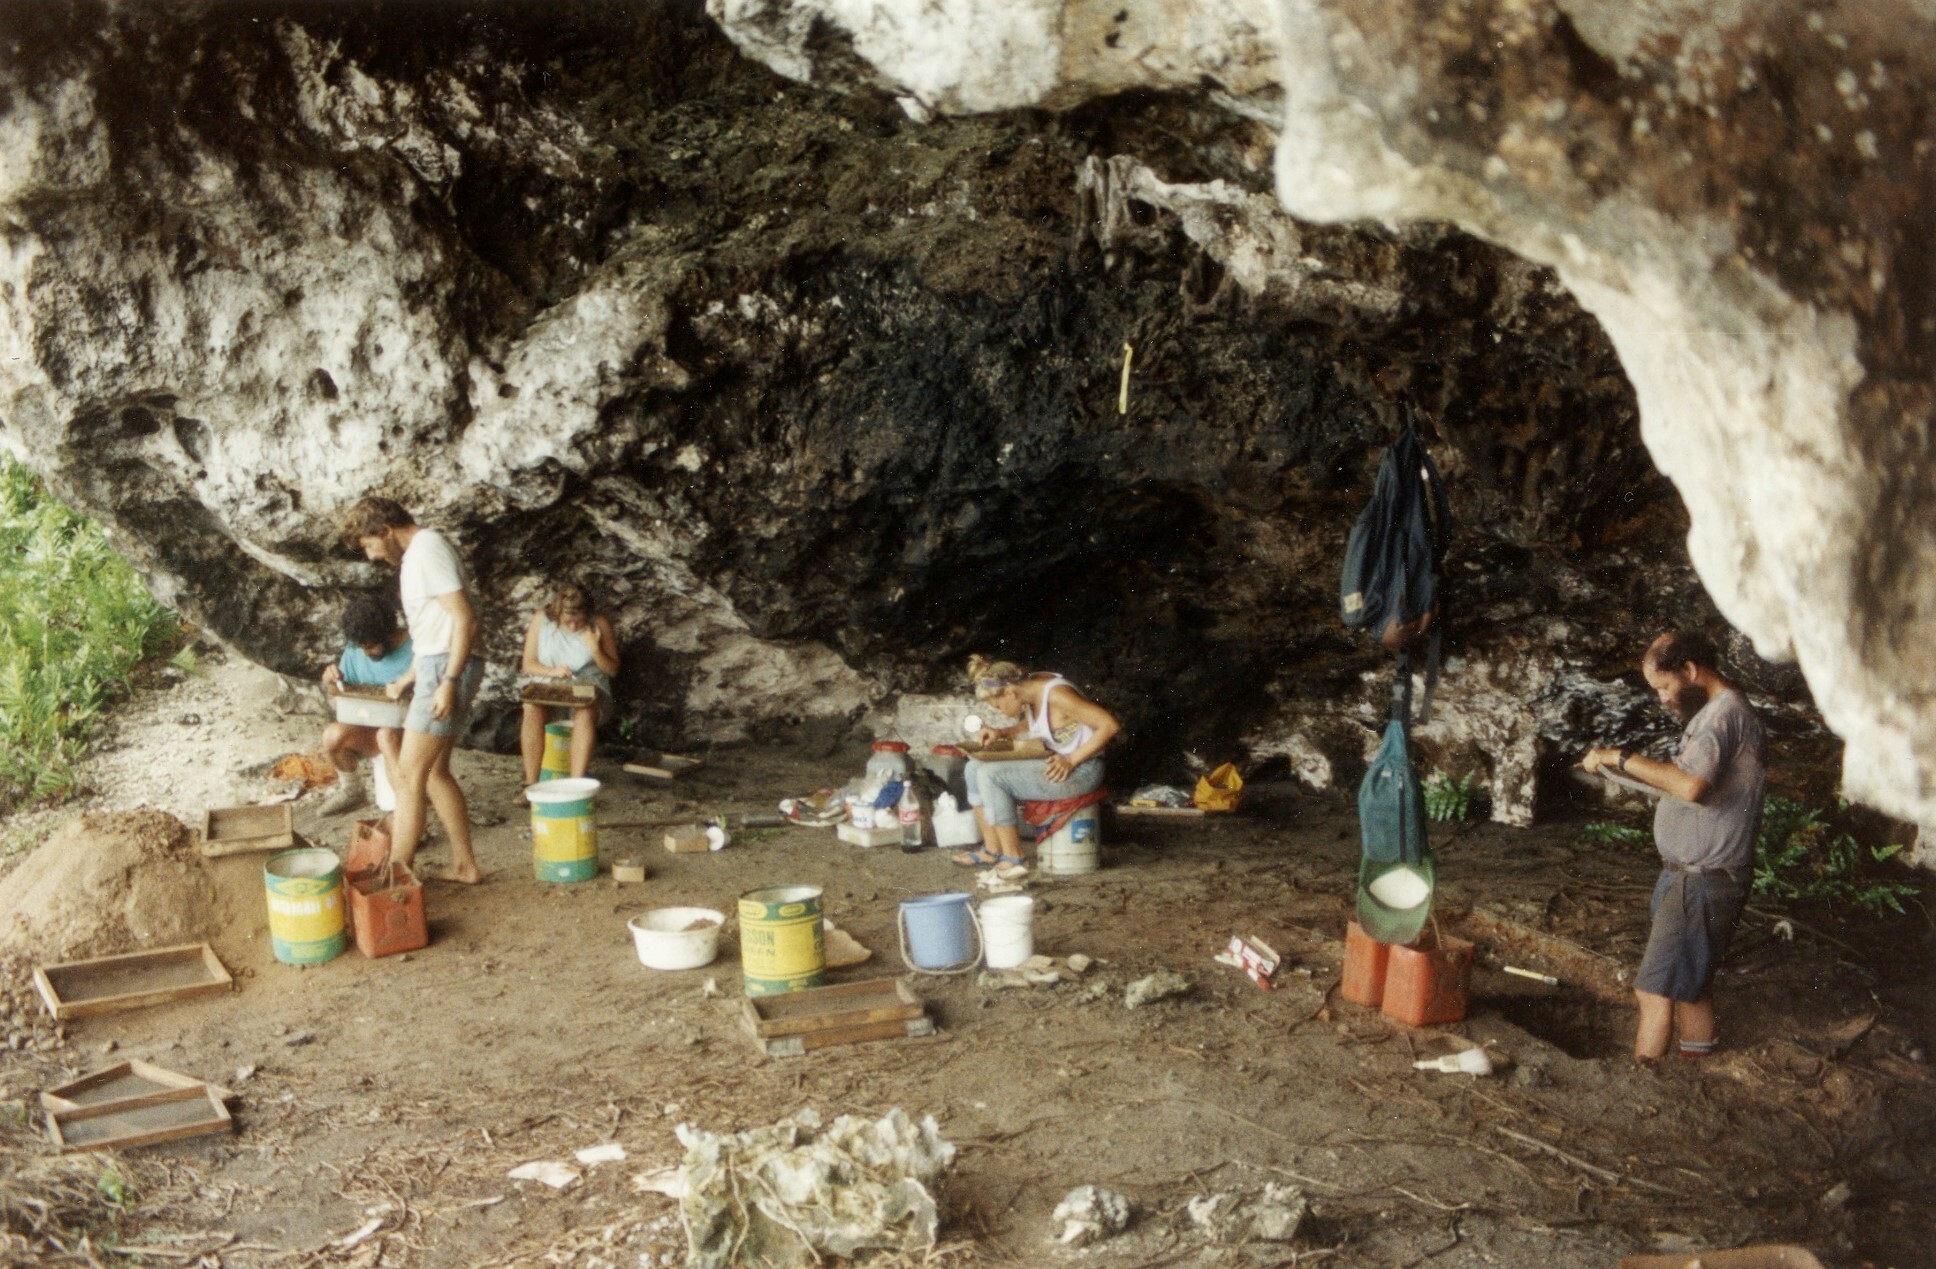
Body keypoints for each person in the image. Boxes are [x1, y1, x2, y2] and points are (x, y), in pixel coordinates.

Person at [1582, 632, 1765, 1062]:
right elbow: (1683, 781)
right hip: (1691, 878)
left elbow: (1690, 785)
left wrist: (1619, 757)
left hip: (1700, 882)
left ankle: (1646, 1088)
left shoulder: (1723, 716)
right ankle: (1695, 1067)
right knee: (1691, 984)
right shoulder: (1721, 714)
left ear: (1690, 671)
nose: (1663, 699)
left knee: (1653, 990)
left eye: (1665, 687)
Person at [339, 496, 485, 884]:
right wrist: (408, 677)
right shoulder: (419, 555)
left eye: (370, 545)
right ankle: (464, 865)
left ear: (386, 530)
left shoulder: (427, 550)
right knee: (435, 772)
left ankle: (396, 876)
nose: (370, 556)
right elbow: (432, 629)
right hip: (436, 665)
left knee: (408, 777)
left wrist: (448, 682)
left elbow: (464, 620)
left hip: (447, 668)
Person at [952, 654, 1120, 868]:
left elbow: (1109, 725)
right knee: (973, 768)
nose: (999, 711)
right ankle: (992, 850)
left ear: (1011, 693)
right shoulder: (1029, 688)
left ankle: (1013, 857)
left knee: (991, 775)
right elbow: (1033, 724)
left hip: (1083, 770)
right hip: (1061, 765)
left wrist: (1071, 759)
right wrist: (1002, 732)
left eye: (998, 706)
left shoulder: (1058, 695)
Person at [316, 594, 413, 816]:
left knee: (386, 736)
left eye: (370, 646)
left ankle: (408, 813)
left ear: (388, 634)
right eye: (360, 647)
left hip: (410, 730)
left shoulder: (415, 647)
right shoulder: (355, 649)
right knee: (333, 736)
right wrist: (332, 680)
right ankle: (353, 791)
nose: (365, 653)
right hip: (373, 727)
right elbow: (341, 691)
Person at [518, 581, 620, 790]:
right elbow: (528, 664)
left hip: (589, 685)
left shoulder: (599, 623)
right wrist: (552, 671)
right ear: (557, 614)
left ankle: (576, 785)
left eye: (579, 621)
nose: (573, 626)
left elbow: (612, 670)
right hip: (552, 683)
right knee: (531, 707)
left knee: (584, 710)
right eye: (568, 621)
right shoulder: (541, 619)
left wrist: (594, 648)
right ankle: (531, 784)